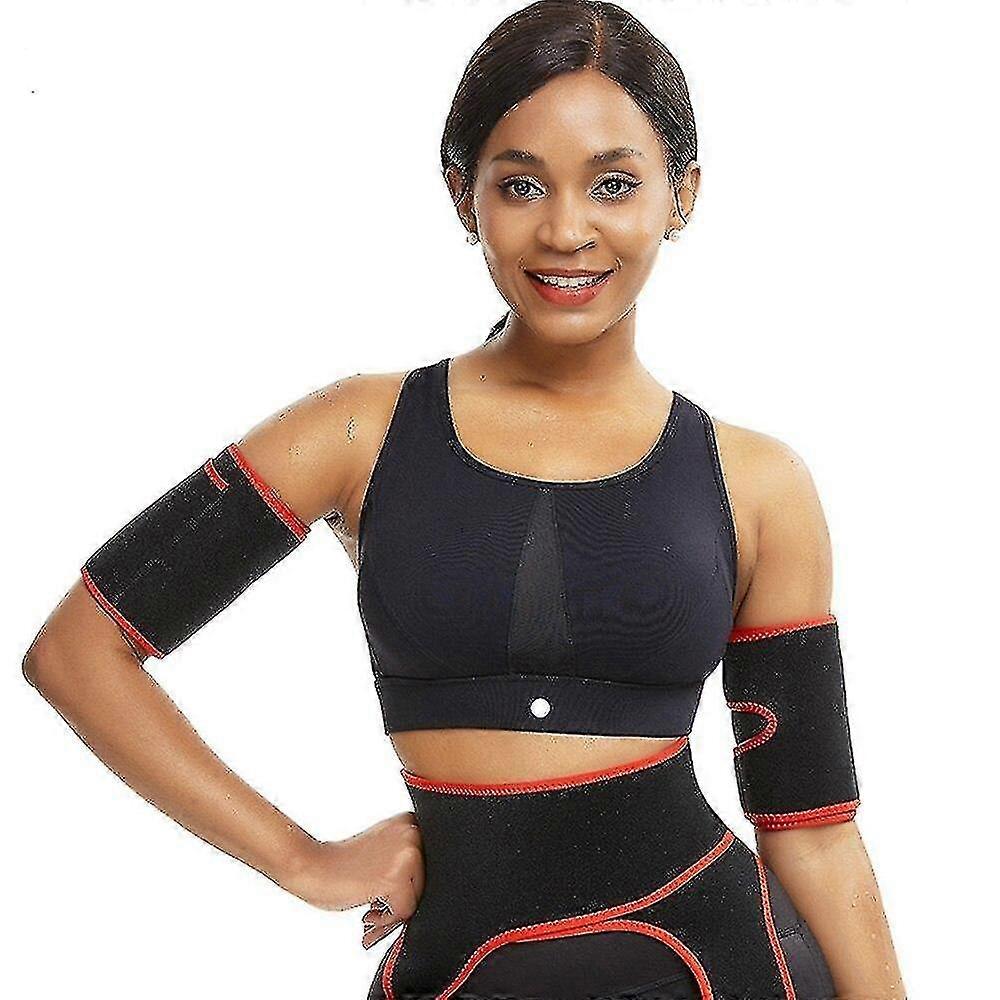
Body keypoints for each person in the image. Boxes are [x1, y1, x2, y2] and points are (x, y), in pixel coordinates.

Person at [22, 2, 906, 997]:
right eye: (520, 184)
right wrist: (301, 858)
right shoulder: (357, 431)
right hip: (457, 974)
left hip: (716, 966)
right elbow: (77, 653)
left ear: (682, 194)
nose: (566, 229)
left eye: (614, 183)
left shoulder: (758, 482)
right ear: (461, 194)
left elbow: (813, 832)